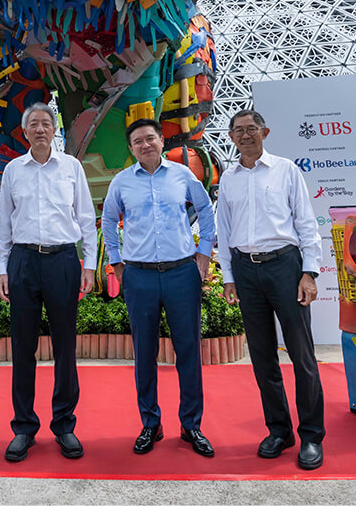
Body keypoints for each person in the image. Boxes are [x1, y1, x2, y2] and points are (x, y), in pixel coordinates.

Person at [216, 108, 326, 471]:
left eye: (251, 129)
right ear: (231, 137)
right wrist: (229, 277)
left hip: (285, 266)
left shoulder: (286, 170)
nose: (245, 135)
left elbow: (306, 223)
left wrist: (309, 272)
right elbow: (225, 231)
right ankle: (279, 430)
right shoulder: (228, 179)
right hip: (246, 272)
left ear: (265, 131)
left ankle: (311, 434)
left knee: (302, 355)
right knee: (263, 358)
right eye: (238, 130)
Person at [100, 118, 216, 457]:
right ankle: (150, 423)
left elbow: (206, 210)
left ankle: (191, 424)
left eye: (150, 138)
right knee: (144, 352)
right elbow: (108, 220)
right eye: (138, 141)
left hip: (182, 272)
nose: (145, 144)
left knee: (188, 351)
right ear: (131, 148)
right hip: (139, 276)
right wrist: (117, 261)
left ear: (162, 140)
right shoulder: (122, 182)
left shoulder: (182, 176)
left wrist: (204, 253)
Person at [0, 103, 97, 462]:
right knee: (23, 347)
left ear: (55, 130)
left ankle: (65, 424)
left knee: (65, 345)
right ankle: (23, 427)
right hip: (23, 261)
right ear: (25, 132)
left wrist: (90, 265)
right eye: (33, 124)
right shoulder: (13, 171)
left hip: (63, 261)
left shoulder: (71, 167)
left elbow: (85, 217)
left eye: (45, 123)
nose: (40, 129)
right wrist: (2, 270)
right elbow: (4, 224)